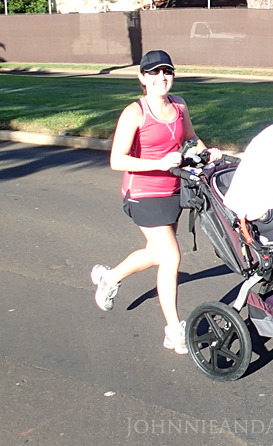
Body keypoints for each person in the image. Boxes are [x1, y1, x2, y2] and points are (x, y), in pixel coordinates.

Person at [91, 50, 221, 355]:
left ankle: (110, 278)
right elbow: (117, 160)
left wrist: (206, 152)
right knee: (171, 257)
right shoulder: (135, 112)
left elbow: (190, 138)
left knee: (155, 253)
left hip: (173, 190)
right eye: (154, 72)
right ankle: (173, 331)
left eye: (167, 71)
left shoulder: (179, 105)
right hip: (142, 194)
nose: (162, 77)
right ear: (142, 78)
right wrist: (159, 163)